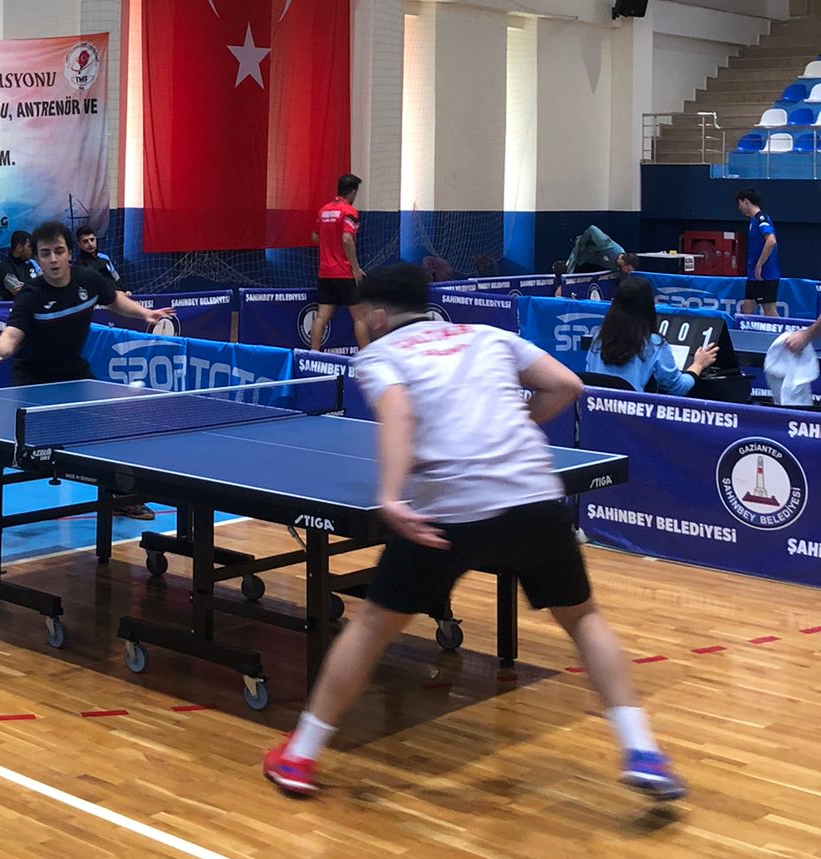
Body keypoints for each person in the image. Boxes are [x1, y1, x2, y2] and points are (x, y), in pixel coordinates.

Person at [262, 263, 685, 804]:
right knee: (583, 619)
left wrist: (390, 494)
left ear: (377, 315)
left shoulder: (381, 355)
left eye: (362, 315)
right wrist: (515, 429)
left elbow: (399, 414)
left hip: (447, 509)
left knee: (369, 629)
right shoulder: (488, 336)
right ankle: (642, 750)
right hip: (532, 496)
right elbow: (566, 385)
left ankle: (299, 756)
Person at [0, 221, 167, 530]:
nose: (54, 259)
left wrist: (144, 313)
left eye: (59, 251)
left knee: (105, 427)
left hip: (72, 371)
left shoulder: (88, 280)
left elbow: (114, 299)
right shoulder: (30, 295)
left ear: (69, 253)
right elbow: (12, 335)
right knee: (12, 443)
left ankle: (118, 496)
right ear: (37, 259)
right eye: (45, 253)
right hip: (33, 377)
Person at [582, 274, 717, 394]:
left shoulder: (598, 337)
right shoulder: (654, 343)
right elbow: (678, 388)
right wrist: (698, 365)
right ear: (648, 306)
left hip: (594, 412)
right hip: (632, 413)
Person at [310, 174, 364, 351]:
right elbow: (347, 239)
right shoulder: (349, 212)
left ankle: (313, 354)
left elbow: (315, 236)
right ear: (353, 192)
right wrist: (355, 269)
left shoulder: (324, 211)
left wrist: (329, 245)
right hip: (344, 273)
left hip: (325, 272)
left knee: (321, 316)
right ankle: (368, 356)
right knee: (360, 318)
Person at [737, 189, 780, 314]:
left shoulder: (762, 218)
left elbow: (771, 241)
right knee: (746, 309)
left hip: (765, 276)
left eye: (740, 203)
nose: (739, 207)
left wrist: (759, 264)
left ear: (746, 202)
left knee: (769, 312)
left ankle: (781, 328)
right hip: (753, 276)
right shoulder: (753, 221)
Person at [565, 224, 630, 275]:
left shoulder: (620, 268)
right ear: (623, 262)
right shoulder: (605, 243)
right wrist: (582, 246)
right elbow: (592, 229)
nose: (628, 272)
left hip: (593, 264)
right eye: (628, 269)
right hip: (582, 255)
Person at [0, 230, 38, 301]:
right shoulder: (4, 268)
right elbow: (18, 290)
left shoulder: (32, 263)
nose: (32, 250)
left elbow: (46, 282)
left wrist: (28, 286)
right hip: (16, 306)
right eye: (29, 246)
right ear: (19, 247)